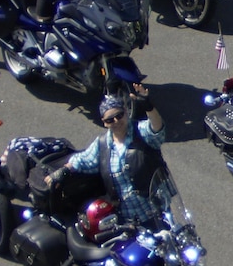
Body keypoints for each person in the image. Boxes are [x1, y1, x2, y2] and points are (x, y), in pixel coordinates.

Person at [49, 92, 176, 230]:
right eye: (110, 120)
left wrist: (149, 107)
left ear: (126, 112)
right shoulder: (102, 144)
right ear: (104, 123)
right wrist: (64, 170)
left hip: (158, 212)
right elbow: (83, 160)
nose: (116, 121)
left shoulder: (140, 131)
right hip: (130, 220)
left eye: (119, 115)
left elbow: (157, 130)